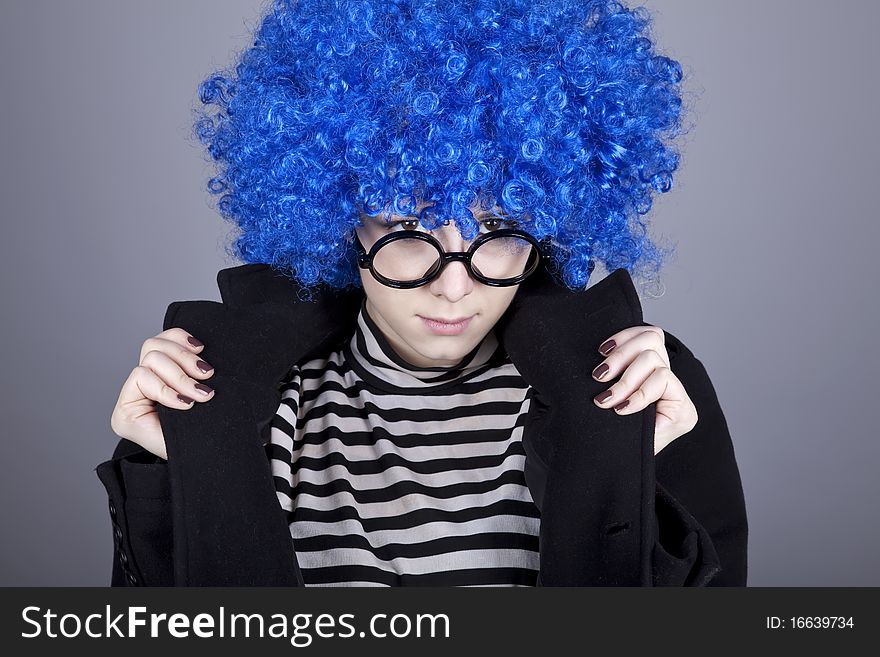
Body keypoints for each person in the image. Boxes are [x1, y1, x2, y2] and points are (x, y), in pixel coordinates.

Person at [98, 0, 747, 586]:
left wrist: (644, 478)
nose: (455, 285)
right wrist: (174, 473)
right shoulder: (232, 401)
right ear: (343, 215)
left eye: (496, 228)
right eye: (408, 228)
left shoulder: (645, 391)